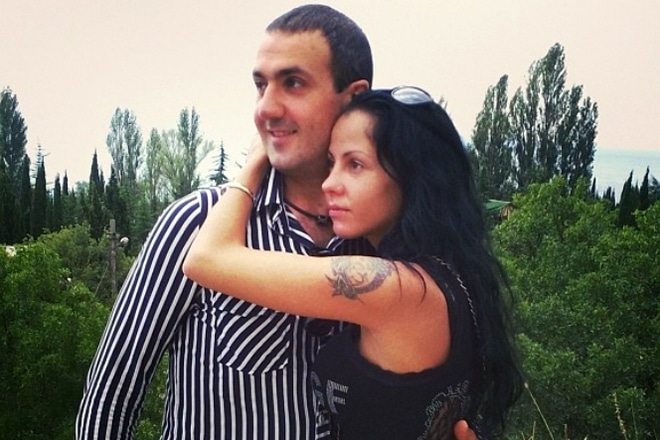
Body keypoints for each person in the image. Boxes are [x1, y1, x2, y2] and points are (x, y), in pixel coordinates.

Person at [75, 4, 481, 439]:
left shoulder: (385, 252)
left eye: (293, 83)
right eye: (260, 85)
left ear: (353, 96)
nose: (265, 109)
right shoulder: (197, 221)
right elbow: (111, 399)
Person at [183, 87, 523, 439]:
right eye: (331, 163)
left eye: (355, 165)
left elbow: (207, 258)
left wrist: (254, 164)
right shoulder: (448, 279)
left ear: (412, 176)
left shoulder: (395, 288)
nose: (329, 184)